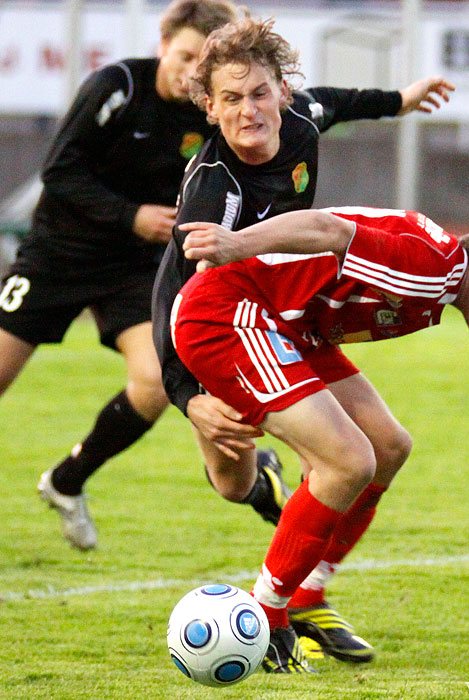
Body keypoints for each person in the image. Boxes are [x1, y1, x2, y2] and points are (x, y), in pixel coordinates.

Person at [151, 16, 454, 662]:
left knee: (383, 446)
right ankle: (268, 500)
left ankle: (300, 597)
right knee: (232, 482)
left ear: (283, 92)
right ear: (209, 108)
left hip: (284, 315)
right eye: (229, 99)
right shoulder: (214, 189)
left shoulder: (301, 122)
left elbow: (338, 101)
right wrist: (185, 394)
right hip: (219, 332)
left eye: (259, 93)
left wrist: (400, 100)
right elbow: (174, 292)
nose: (248, 110)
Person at [169, 205, 469, 673]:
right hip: (230, 312)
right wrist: (235, 244)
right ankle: (268, 615)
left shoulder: (441, 277)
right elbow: (329, 229)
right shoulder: (432, 270)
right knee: (347, 462)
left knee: (387, 447)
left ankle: (306, 595)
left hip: (290, 327)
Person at [0, 0, 291, 552]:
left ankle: (67, 481)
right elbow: (58, 169)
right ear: (163, 47)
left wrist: (394, 101)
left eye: (198, 62)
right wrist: (130, 215)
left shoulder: (210, 110)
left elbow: (302, 105)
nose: (187, 72)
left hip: (130, 269)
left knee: (157, 383)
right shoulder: (118, 87)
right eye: (181, 55)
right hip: (55, 258)